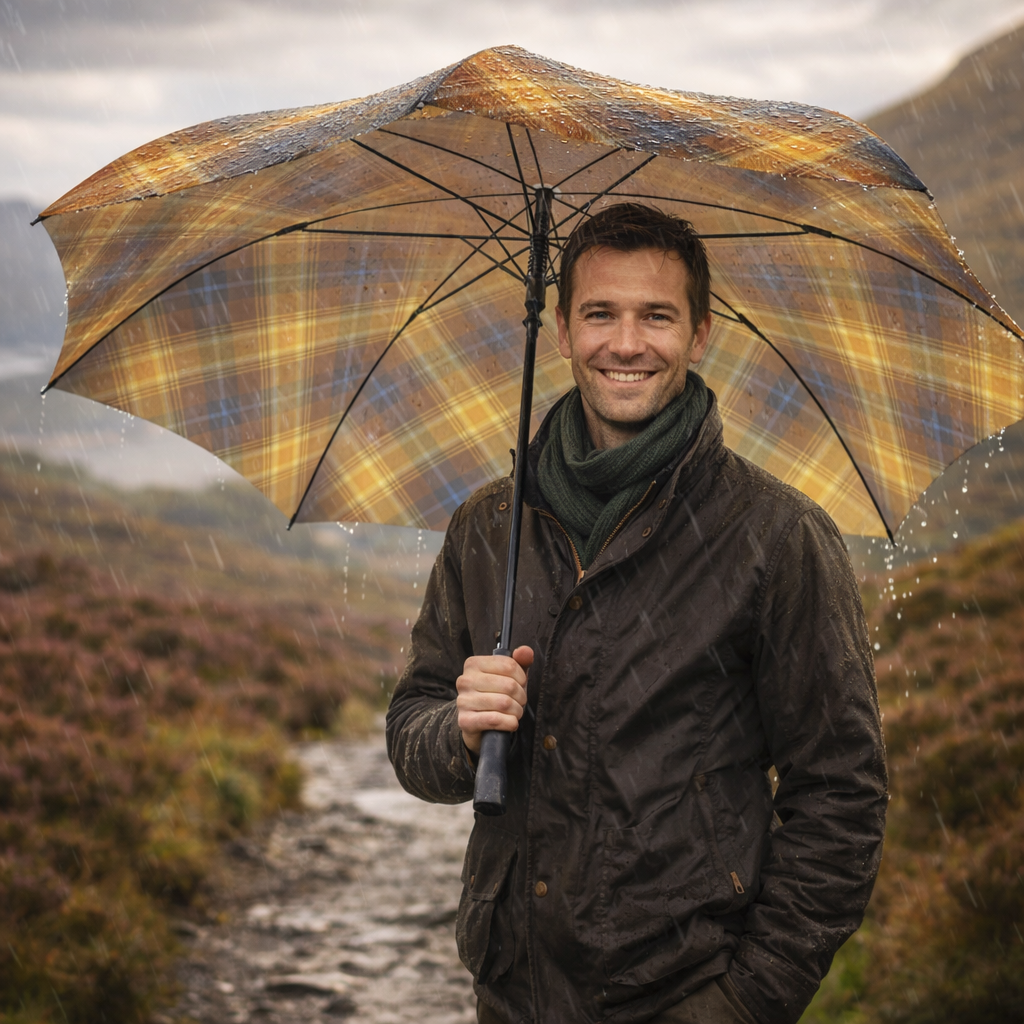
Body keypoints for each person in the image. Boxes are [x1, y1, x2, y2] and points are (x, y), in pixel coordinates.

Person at [386, 203, 887, 1024]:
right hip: (513, 993)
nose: (625, 343)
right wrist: (458, 731)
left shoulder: (777, 538)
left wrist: (748, 1001)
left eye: (656, 315)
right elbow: (412, 725)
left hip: (688, 994)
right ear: (560, 330)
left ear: (698, 334)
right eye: (600, 314)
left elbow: (842, 795)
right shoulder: (488, 526)